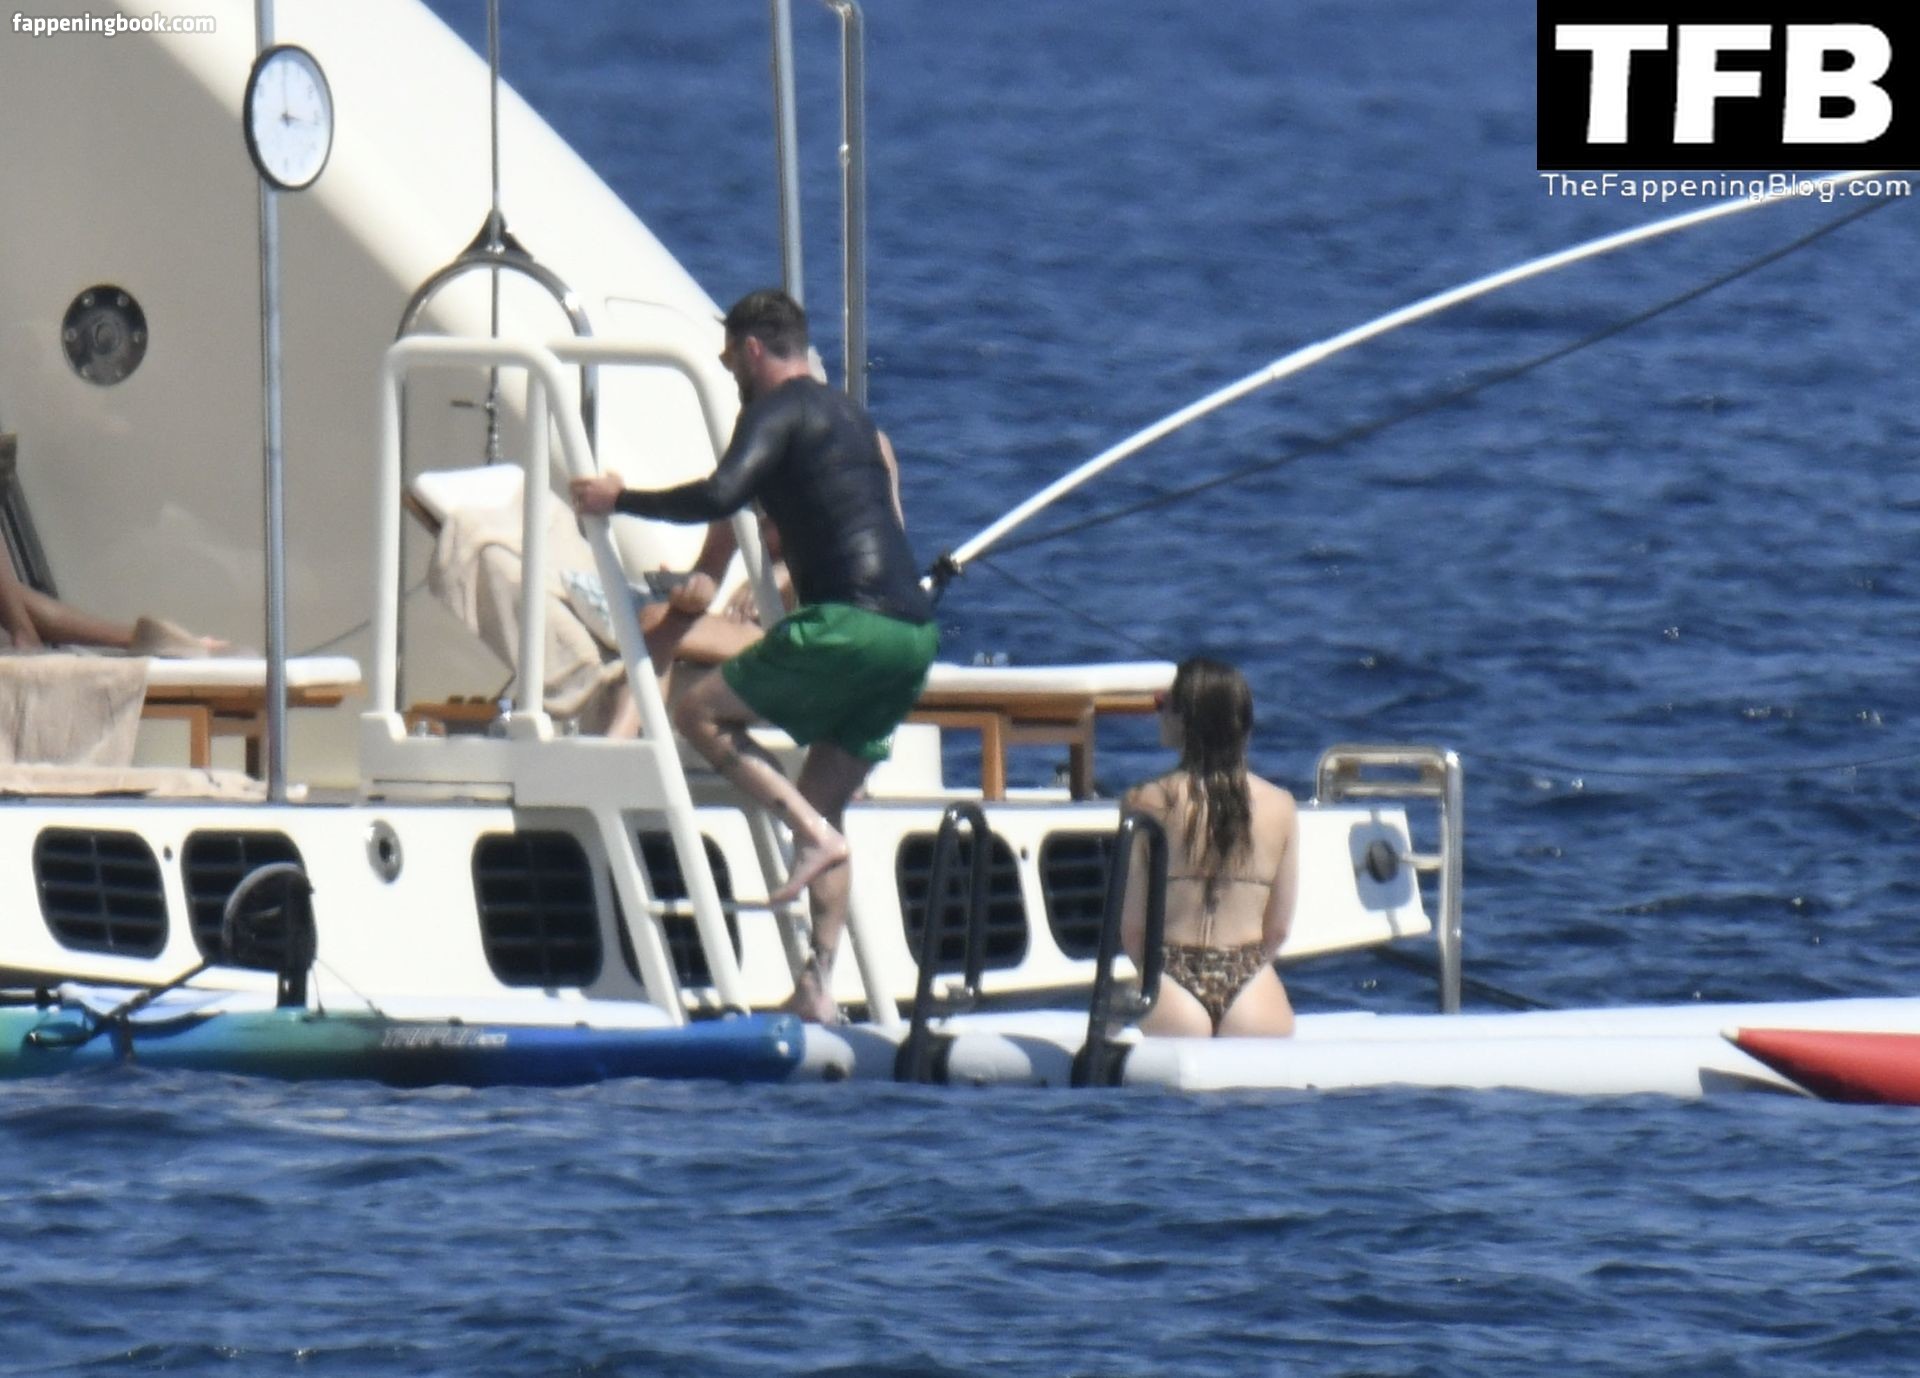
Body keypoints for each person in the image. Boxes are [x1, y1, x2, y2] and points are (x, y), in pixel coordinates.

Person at [571, 288, 938, 1022]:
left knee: (699, 716)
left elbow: (719, 492)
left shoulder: (777, 409)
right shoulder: (855, 420)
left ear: (753, 350)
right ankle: (818, 987)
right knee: (826, 800)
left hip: (847, 625)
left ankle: (811, 836)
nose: (730, 374)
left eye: (729, 360)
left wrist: (619, 498)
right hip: (912, 636)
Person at [1120, 656, 1298, 1037]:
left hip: (1169, 974)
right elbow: (1279, 929)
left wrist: (1153, 976)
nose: (1158, 711)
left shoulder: (1145, 801)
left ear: (1186, 719)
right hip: (1251, 983)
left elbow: (1133, 930)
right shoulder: (1280, 806)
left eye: (1164, 702)